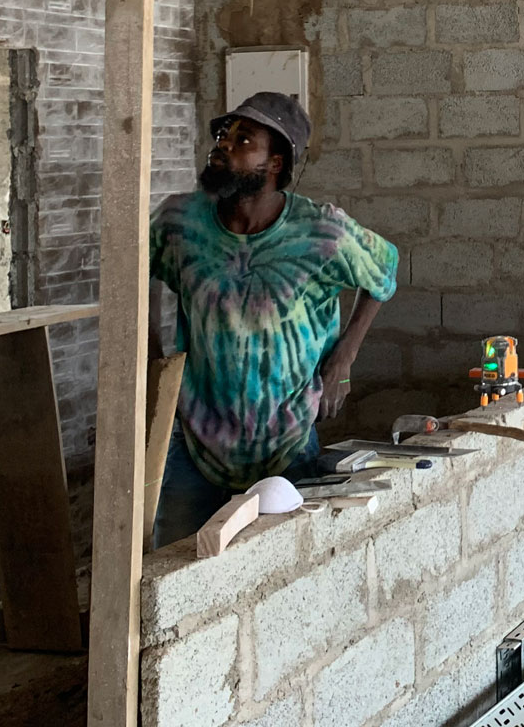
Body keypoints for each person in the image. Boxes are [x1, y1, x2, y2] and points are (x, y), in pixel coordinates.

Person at [149, 92, 398, 547]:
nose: (224, 144)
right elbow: (136, 273)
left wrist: (343, 359)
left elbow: (384, 271)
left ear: (275, 163)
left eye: (244, 139)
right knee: (175, 567)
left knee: (282, 565)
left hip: (287, 441)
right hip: (196, 439)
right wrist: (154, 361)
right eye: (224, 135)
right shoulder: (179, 222)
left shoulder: (321, 230)